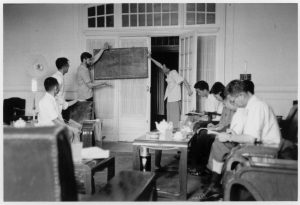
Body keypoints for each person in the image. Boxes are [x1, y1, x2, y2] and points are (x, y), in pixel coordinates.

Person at [197, 79, 281, 201]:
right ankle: (215, 184)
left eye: (233, 100)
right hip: (259, 147)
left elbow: (250, 139)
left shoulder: (257, 107)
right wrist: (234, 134)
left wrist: (230, 136)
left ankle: (215, 184)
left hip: (266, 152)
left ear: (241, 95)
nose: (233, 103)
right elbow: (249, 135)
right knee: (221, 143)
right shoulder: (253, 106)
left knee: (221, 144)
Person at [148, 53, 193, 171]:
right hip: (170, 100)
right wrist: (151, 58)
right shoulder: (168, 72)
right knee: (171, 123)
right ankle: (177, 148)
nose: (162, 68)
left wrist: (189, 91)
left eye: (163, 66)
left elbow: (183, 80)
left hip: (174, 100)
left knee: (174, 124)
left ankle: (178, 147)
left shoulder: (173, 72)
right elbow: (159, 65)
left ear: (167, 66)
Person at [189, 93, 237, 176]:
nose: (223, 103)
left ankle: (200, 166)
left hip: (224, 132)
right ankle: (193, 162)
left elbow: (228, 126)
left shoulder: (233, 109)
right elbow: (221, 122)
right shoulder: (225, 107)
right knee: (199, 133)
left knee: (204, 136)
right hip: (220, 129)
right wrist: (214, 126)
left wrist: (217, 129)